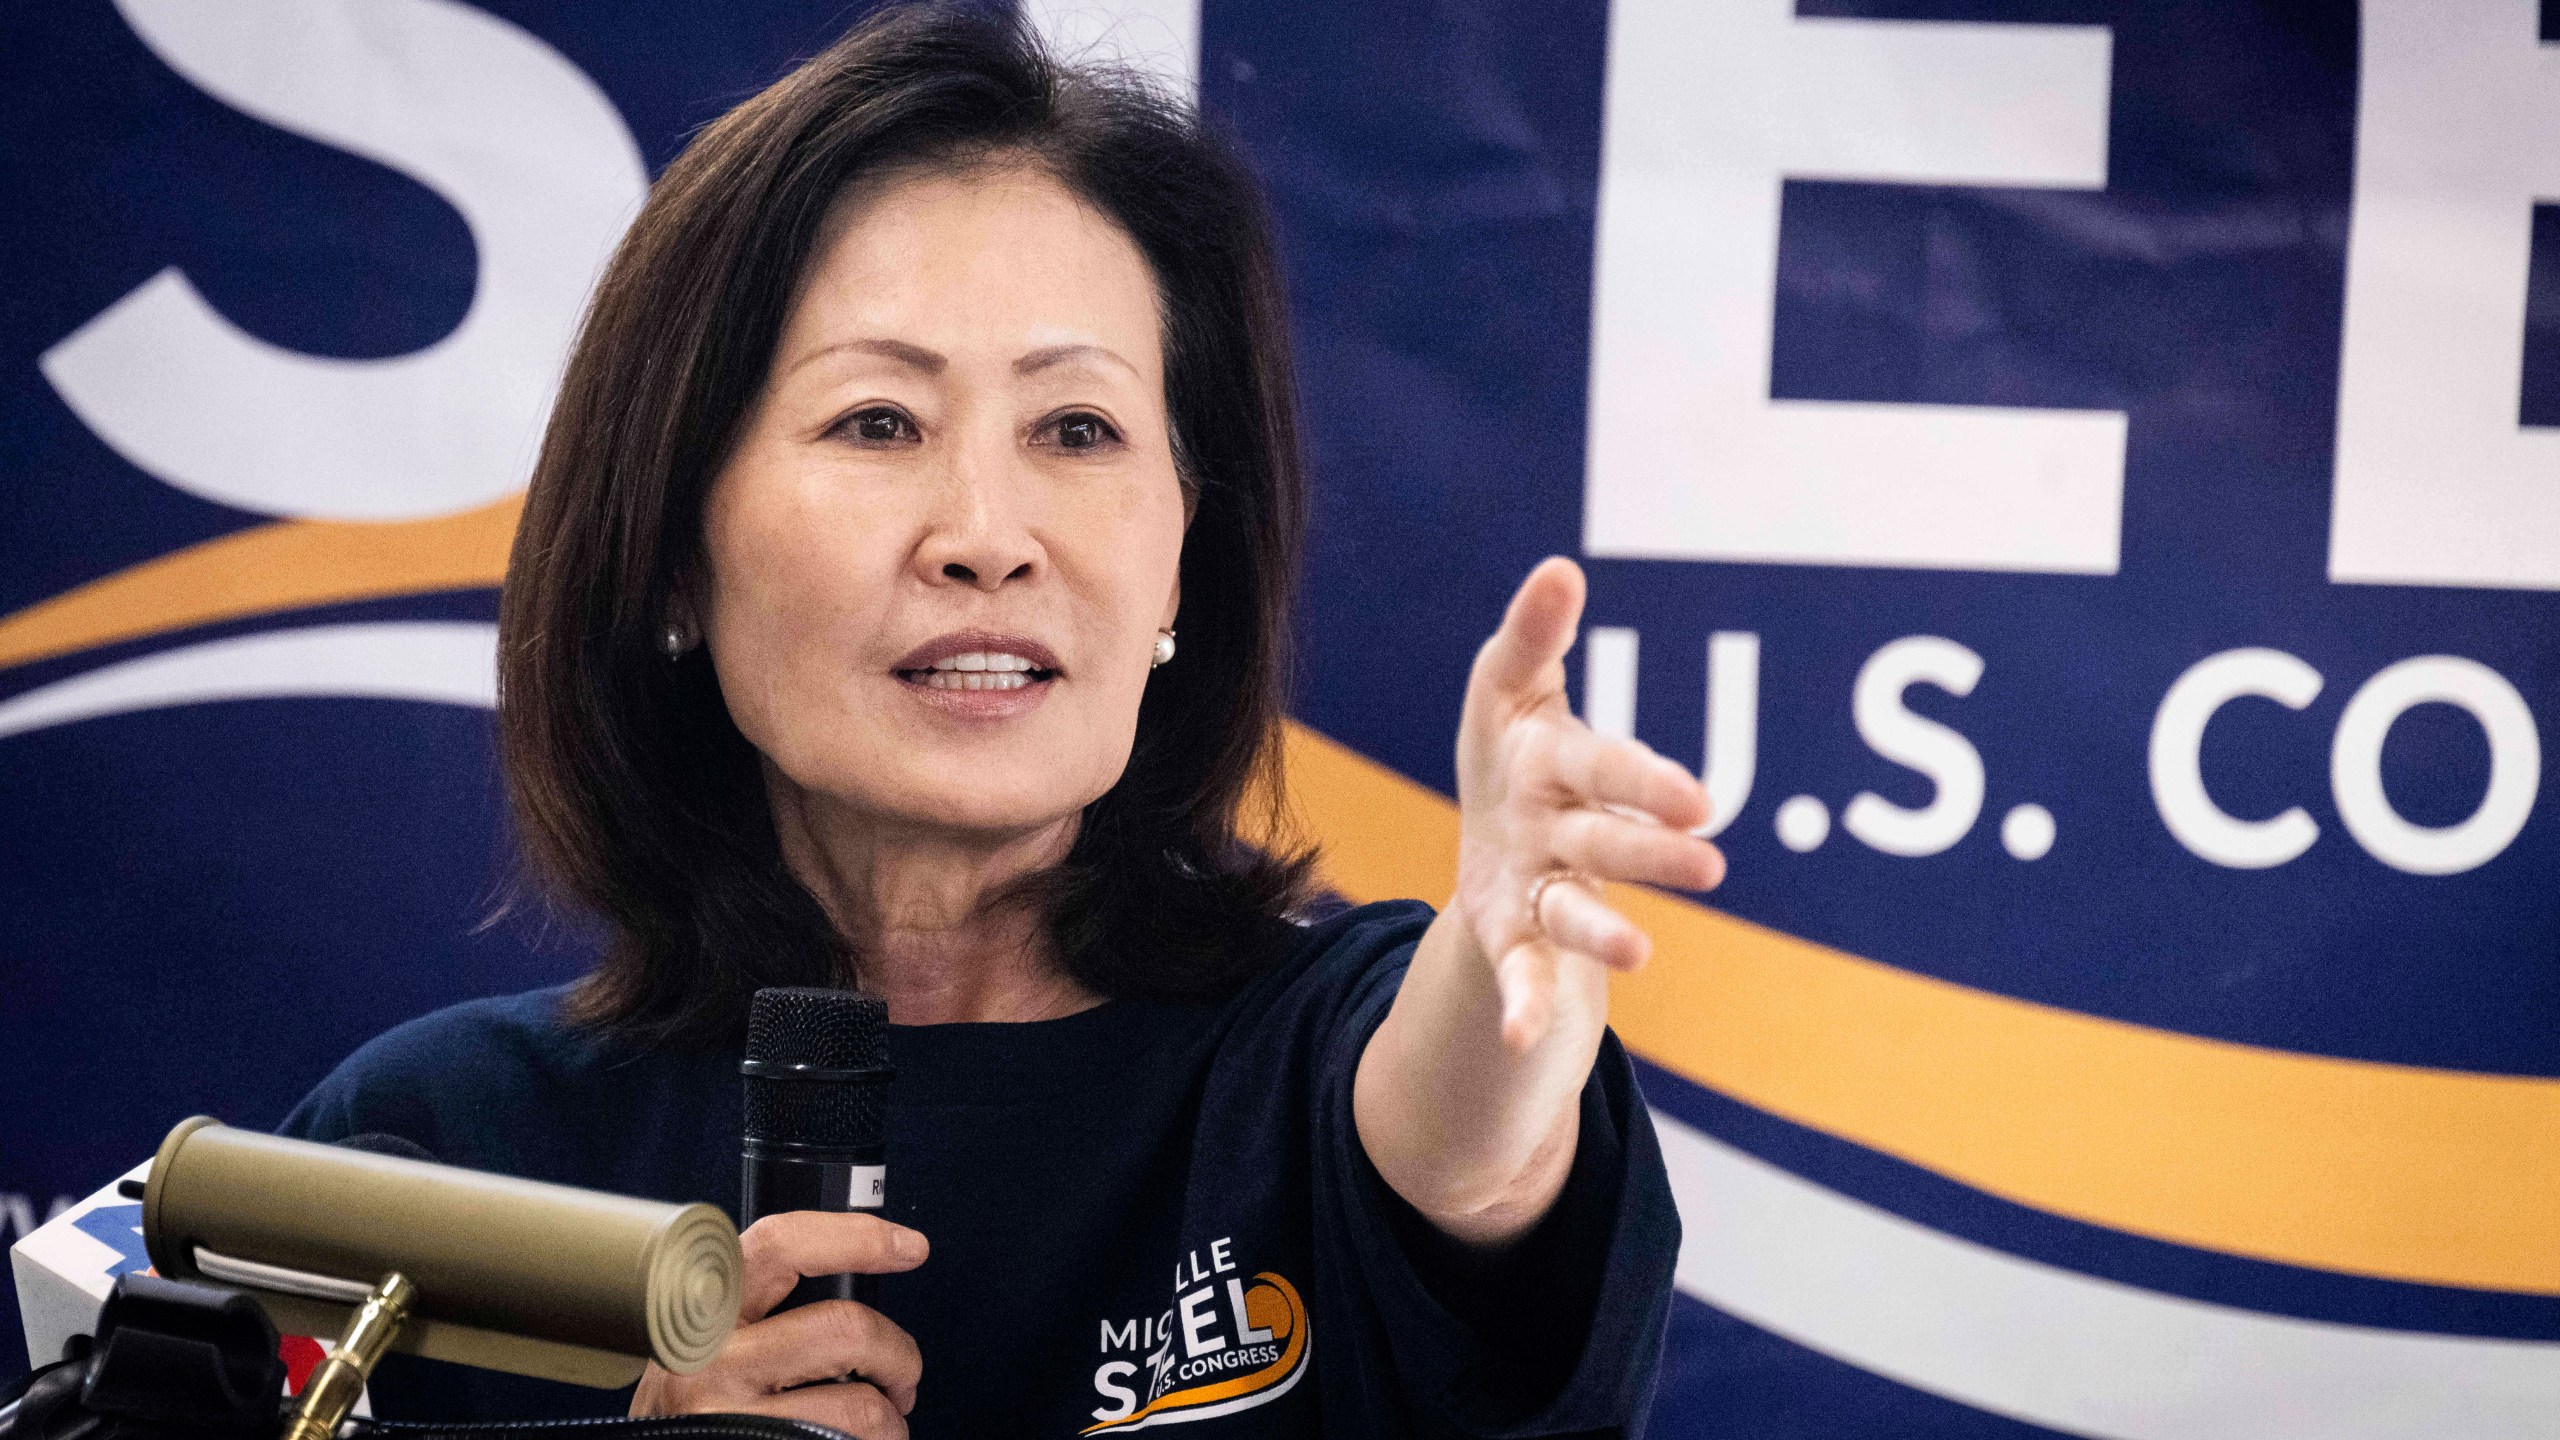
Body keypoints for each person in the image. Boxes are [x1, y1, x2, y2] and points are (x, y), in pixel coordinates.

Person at [282, 6, 1725, 1436]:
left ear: (1182, 559)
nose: (986, 536)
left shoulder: (1308, 1059)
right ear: (673, 552)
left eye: (1077, 430)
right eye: (879, 423)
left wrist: (1497, 962)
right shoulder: (433, 1151)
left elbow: (1470, 1153)